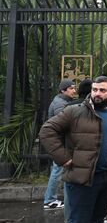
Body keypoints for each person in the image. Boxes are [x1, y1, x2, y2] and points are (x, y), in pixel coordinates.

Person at [40, 76, 107, 223]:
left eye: (102, 90)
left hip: (106, 179)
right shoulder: (75, 111)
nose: (97, 94)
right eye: (95, 90)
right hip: (81, 179)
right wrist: (64, 158)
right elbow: (47, 131)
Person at [43, 79, 76, 210]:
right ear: (63, 90)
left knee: (57, 170)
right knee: (57, 171)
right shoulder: (60, 105)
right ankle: (50, 200)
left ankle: (51, 199)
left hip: (60, 142)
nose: (74, 90)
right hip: (60, 143)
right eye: (71, 88)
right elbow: (64, 124)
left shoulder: (62, 102)